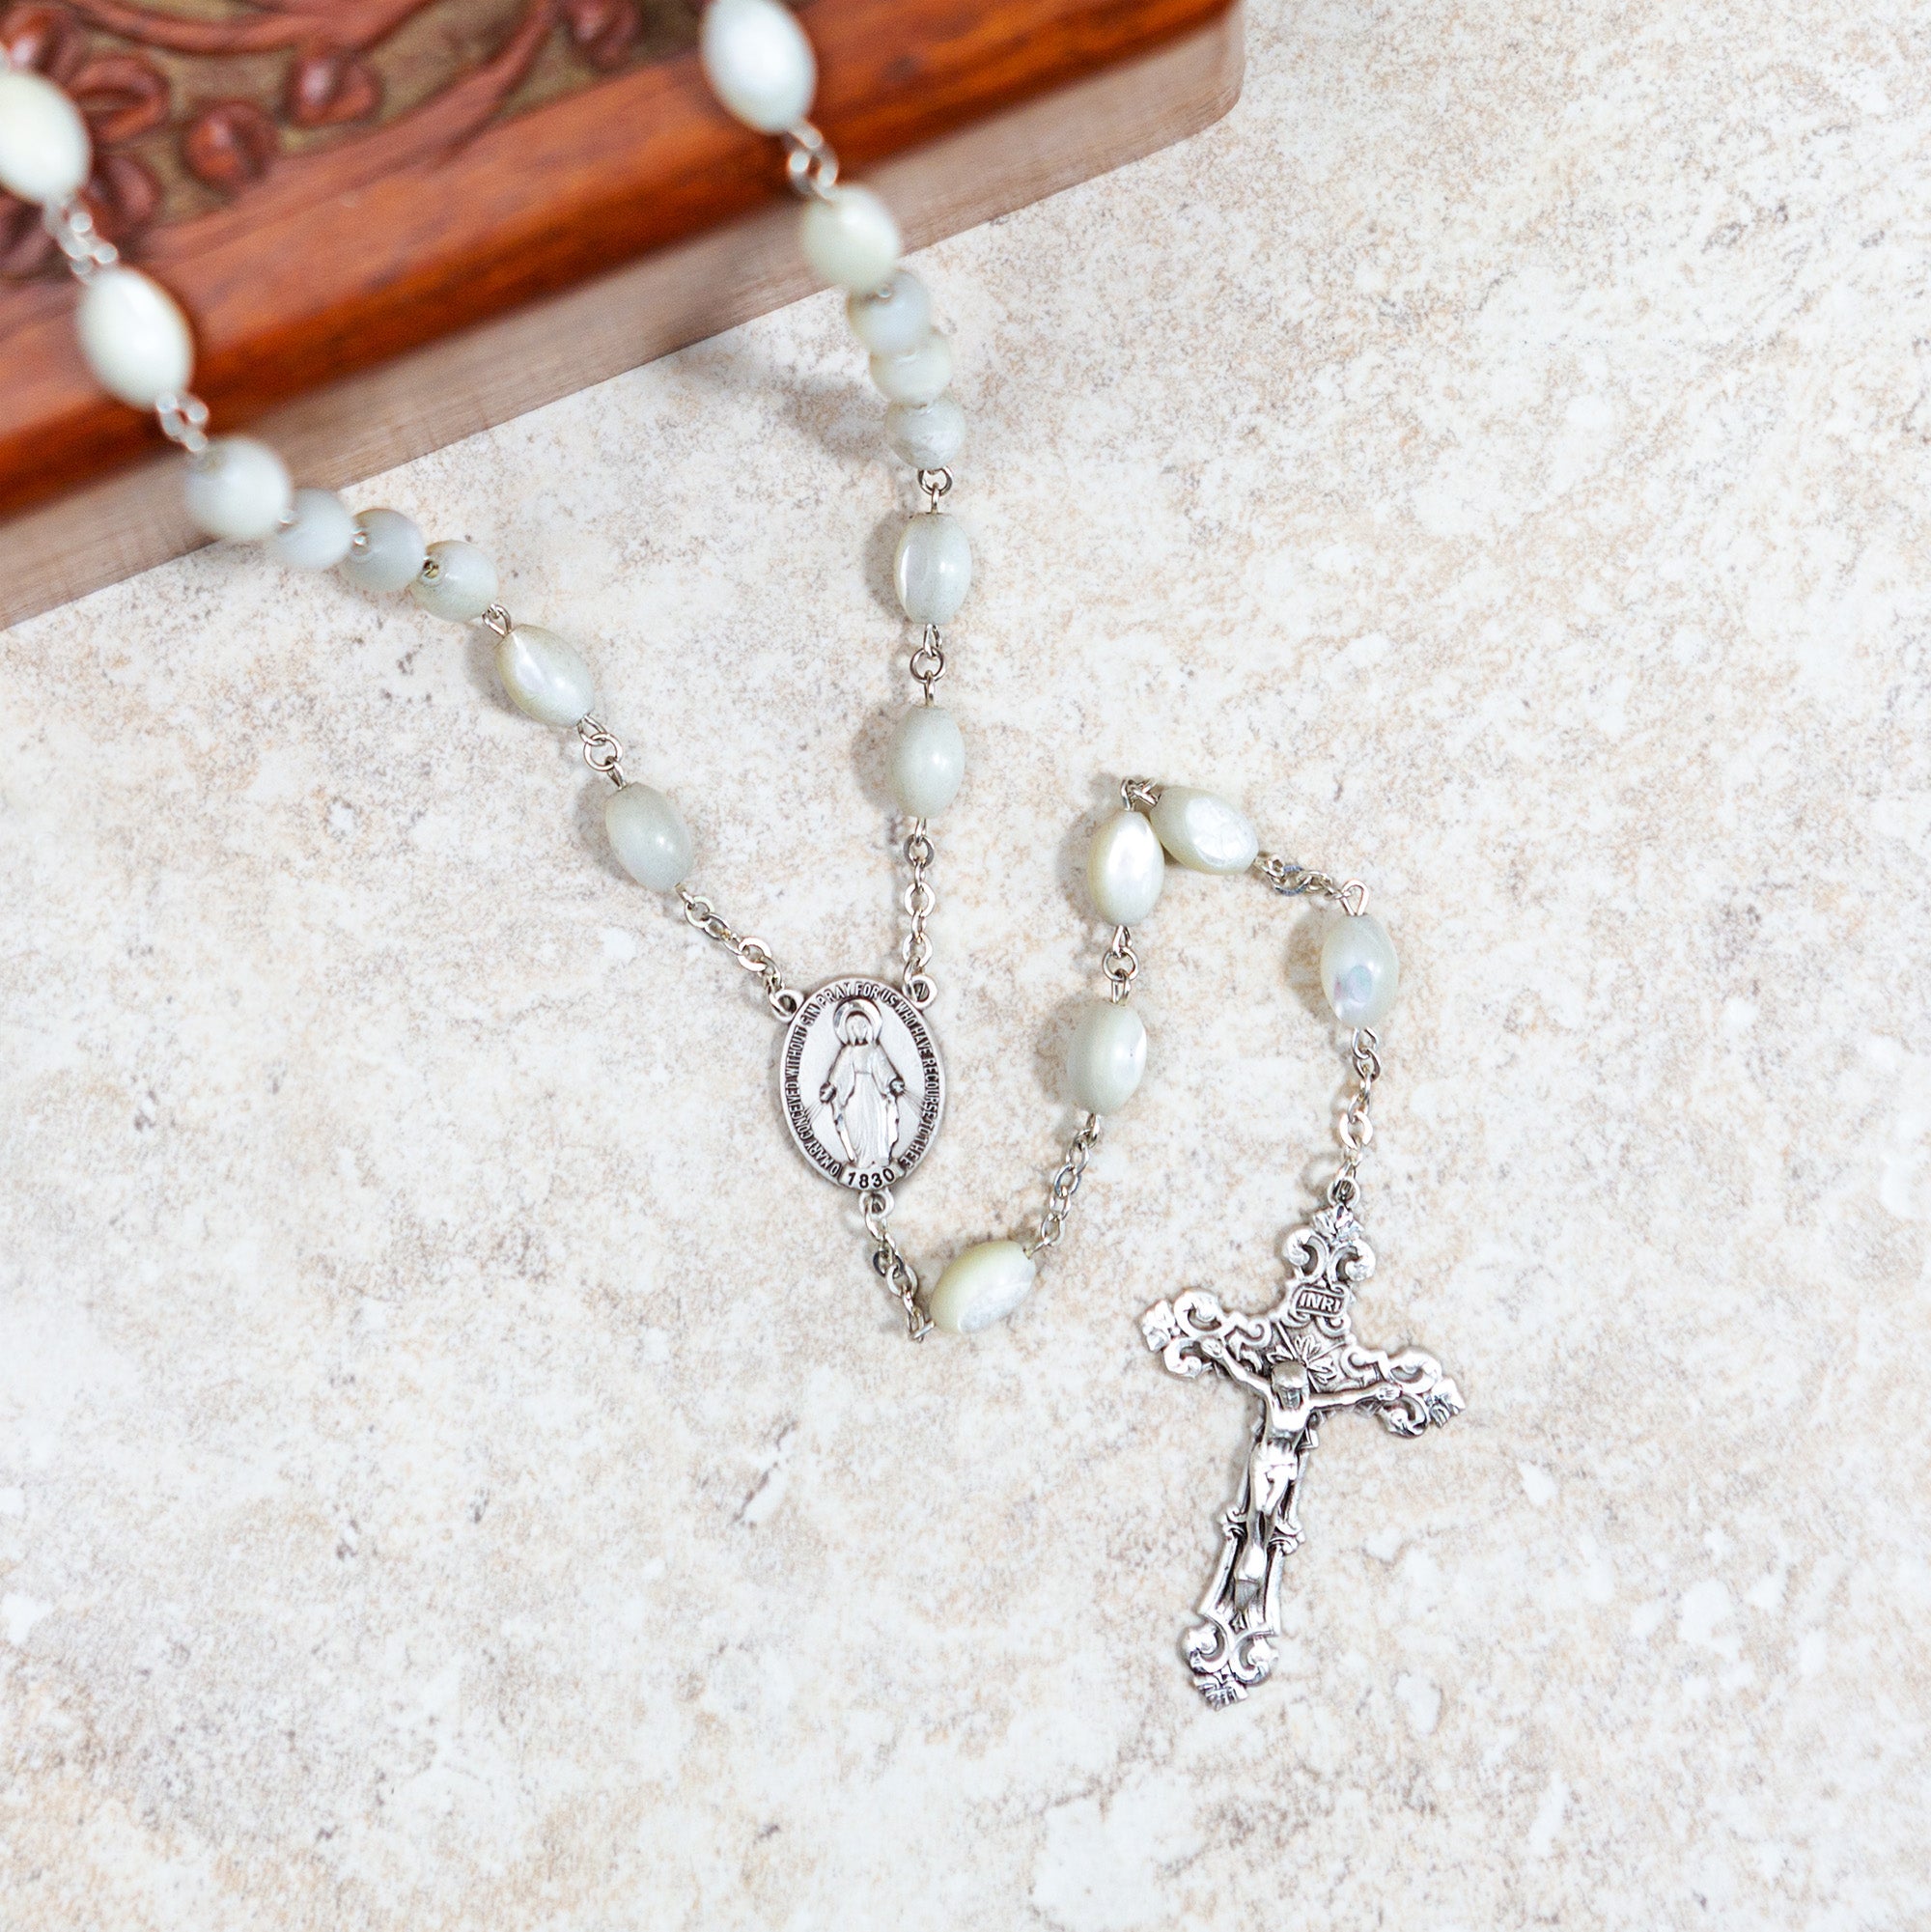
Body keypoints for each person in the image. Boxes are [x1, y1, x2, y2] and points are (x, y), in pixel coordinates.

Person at [819, 997, 908, 1172]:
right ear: (850, 1030)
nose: (859, 1030)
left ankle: (880, 1155)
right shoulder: (848, 1052)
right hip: (855, 1092)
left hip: (874, 1092)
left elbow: (884, 1068)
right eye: (854, 1027)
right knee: (855, 1121)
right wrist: (832, 1087)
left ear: (868, 1027)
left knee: (877, 1122)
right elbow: (839, 1072)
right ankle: (862, 1159)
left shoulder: (875, 1049)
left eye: (862, 1026)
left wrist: (892, 1082)